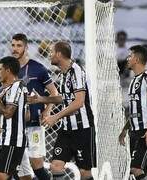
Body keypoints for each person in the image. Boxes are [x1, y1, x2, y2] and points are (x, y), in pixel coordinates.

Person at [28, 41, 96, 180]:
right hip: (66, 130)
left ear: (59, 54)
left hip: (82, 130)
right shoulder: (63, 74)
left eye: (51, 52)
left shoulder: (76, 71)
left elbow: (79, 102)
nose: (49, 56)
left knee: (85, 173)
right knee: (55, 166)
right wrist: (41, 99)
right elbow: (61, 99)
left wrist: (55, 117)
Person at [11, 33, 58, 180]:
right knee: (13, 165)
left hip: (34, 124)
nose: (15, 49)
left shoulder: (38, 69)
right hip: (15, 125)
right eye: (13, 45)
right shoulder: (8, 69)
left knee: (37, 165)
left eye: (19, 45)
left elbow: (54, 92)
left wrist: (47, 111)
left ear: (26, 47)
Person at [119, 45, 147, 180]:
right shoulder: (133, 81)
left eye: (130, 56)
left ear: (137, 59)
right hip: (135, 131)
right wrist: (125, 129)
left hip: (146, 130)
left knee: (135, 169)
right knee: (137, 170)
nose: (127, 59)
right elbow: (134, 110)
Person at [0, 56, 28, 179]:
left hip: (13, 139)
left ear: (7, 70)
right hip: (4, 138)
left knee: (1, 175)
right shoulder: (2, 90)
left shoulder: (17, 86)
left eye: (0, 69)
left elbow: (8, 114)